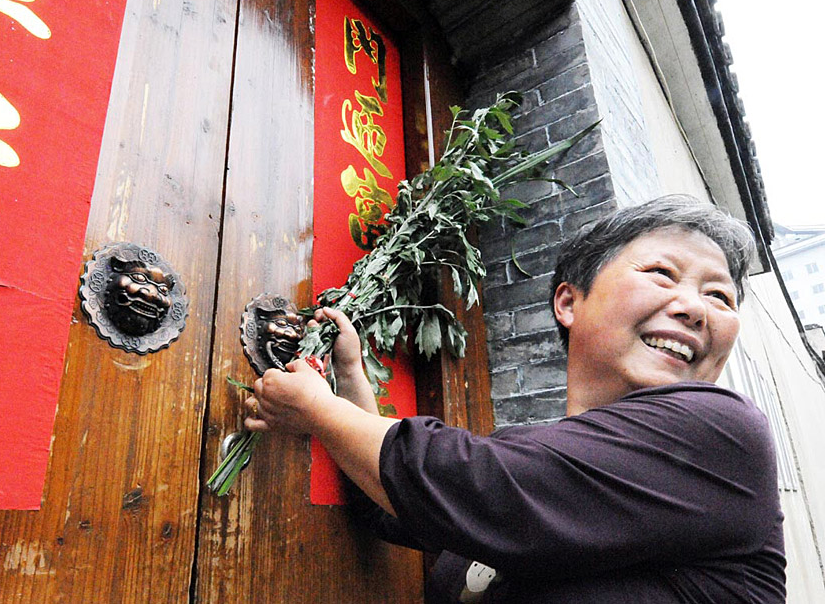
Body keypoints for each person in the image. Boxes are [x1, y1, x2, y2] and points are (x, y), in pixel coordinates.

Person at [243, 195, 786, 602]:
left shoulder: (724, 436)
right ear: (569, 302)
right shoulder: (528, 460)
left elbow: (475, 486)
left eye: (720, 296)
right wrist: (351, 377)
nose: (695, 309)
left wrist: (317, 407)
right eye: (662, 274)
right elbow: (401, 504)